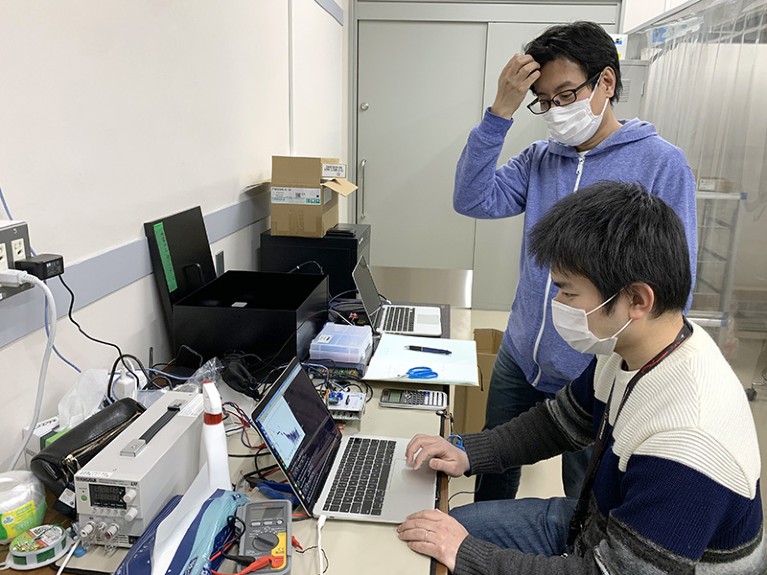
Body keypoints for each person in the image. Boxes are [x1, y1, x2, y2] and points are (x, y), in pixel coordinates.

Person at [398, 181, 764, 574]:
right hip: (594, 523)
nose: (558, 306)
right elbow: (559, 422)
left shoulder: (687, 439)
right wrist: (469, 452)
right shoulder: (635, 346)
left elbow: (609, 572)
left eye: (569, 294)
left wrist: (470, 555)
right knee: (427, 528)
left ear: (637, 300)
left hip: (624, 559)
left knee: (447, 546)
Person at [453, 20, 698, 501]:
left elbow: (675, 283)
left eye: (565, 95)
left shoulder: (660, 163)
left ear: (605, 83)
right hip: (521, 356)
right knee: (493, 473)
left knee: (583, 500)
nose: (555, 111)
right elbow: (472, 199)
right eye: (544, 100)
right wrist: (500, 112)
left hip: (598, 369)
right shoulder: (541, 158)